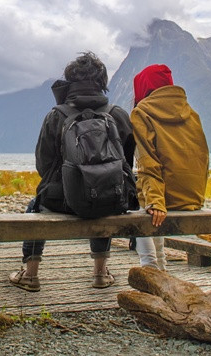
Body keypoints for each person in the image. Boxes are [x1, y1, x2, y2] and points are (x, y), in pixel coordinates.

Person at [8, 52, 136, 291]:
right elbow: (125, 163)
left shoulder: (56, 115)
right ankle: (100, 273)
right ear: (103, 82)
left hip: (61, 201)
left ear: (69, 82)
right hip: (107, 200)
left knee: (36, 206)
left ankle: (30, 274)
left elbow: (43, 165)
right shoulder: (117, 114)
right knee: (104, 191)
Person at [130, 63, 209, 270]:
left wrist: (155, 202)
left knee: (140, 202)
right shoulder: (191, 113)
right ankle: (161, 266)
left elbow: (148, 162)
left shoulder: (141, 113)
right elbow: (202, 157)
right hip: (192, 198)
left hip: (166, 201)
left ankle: (150, 267)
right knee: (149, 196)